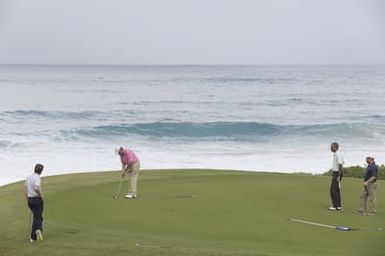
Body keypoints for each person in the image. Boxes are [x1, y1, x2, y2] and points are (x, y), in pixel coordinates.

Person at [25, 163, 44, 242]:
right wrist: (41, 195)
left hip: (30, 200)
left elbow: (26, 189)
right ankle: (33, 237)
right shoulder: (37, 178)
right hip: (36, 200)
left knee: (38, 217)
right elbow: (36, 188)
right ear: (41, 171)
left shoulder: (28, 177)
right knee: (37, 218)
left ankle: (39, 230)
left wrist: (27, 199)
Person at [329, 142, 344, 211]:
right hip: (336, 173)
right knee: (336, 189)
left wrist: (339, 175)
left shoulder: (338, 154)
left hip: (337, 173)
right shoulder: (336, 154)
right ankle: (338, 206)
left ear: (335, 147)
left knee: (333, 190)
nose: (330, 148)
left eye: (332, 146)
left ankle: (336, 206)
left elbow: (340, 165)